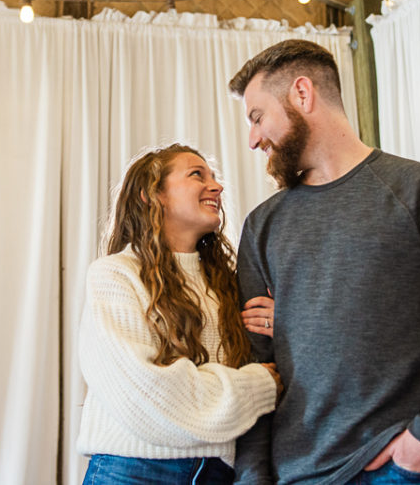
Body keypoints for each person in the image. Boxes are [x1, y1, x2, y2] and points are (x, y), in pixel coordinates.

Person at [228, 40, 420, 485]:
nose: (252, 139)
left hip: (401, 468)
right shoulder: (261, 227)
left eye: (257, 117)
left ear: (302, 94)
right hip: (295, 476)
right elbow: (255, 372)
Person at [78, 144, 284, 484]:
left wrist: (283, 325)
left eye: (215, 177)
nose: (216, 186)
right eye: (196, 175)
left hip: (219, 474)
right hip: (132, 471)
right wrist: (261, 384)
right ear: (151, 195)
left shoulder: (228, 285)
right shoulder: (115, 275)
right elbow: (148, 398)